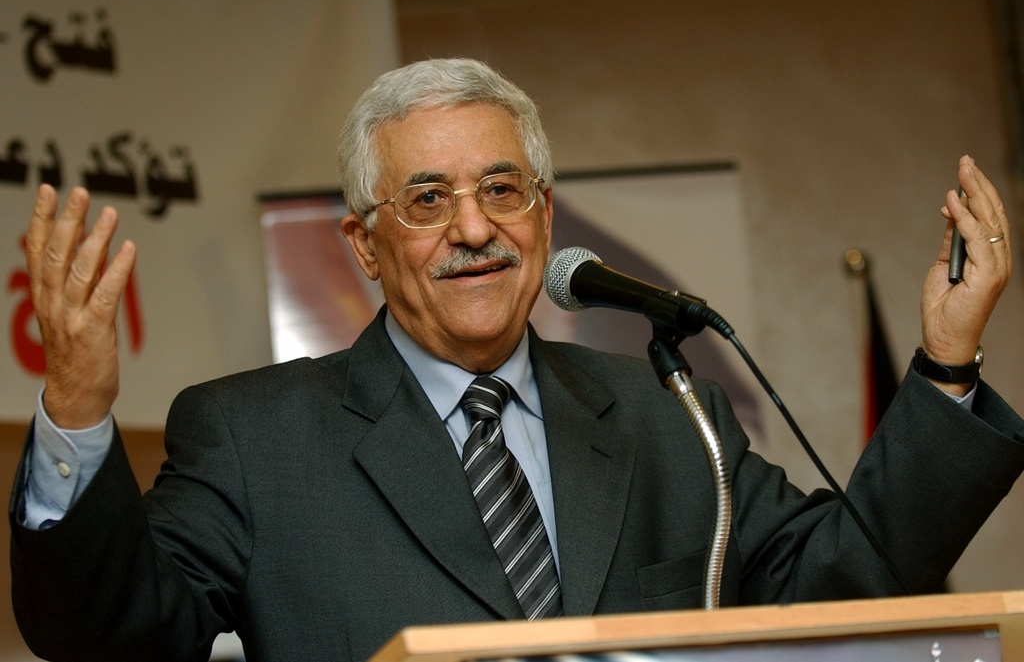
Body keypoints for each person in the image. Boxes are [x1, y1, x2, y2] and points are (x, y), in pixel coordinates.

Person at [9, 58, 1024, 662]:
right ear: (365, 245)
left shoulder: (667, 410)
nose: (473, 228)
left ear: (542, 216)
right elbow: (107, 638)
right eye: (427, 199)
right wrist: (78, 408)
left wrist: (945, 363)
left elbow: (844, 584)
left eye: (502, 190)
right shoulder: (253, 437)